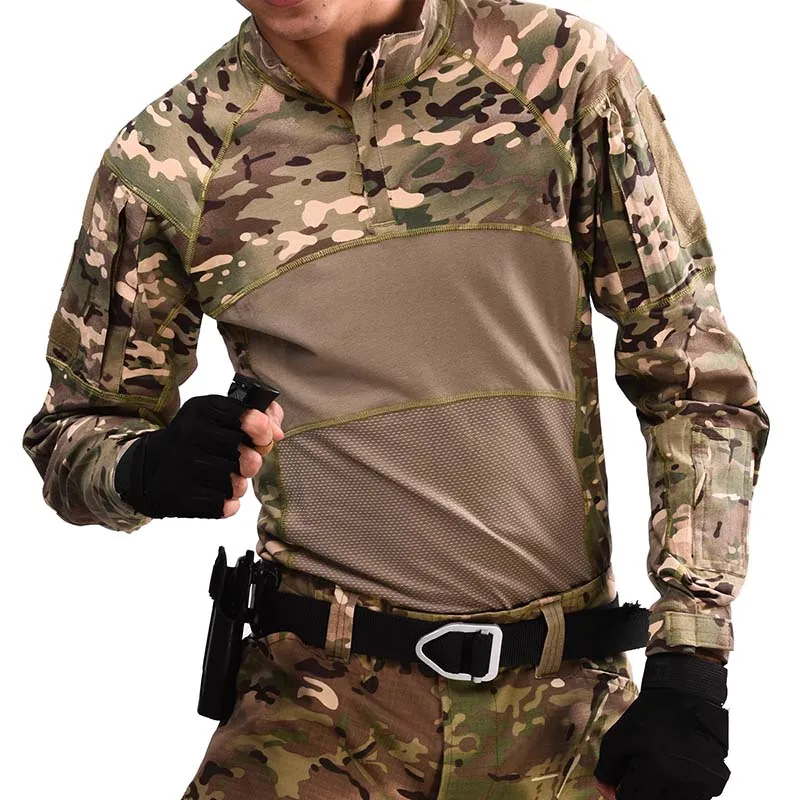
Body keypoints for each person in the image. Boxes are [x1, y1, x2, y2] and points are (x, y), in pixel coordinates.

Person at [22, 0, 770, 798]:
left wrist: (692, 658)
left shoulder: (558, 72)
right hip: (317, 708)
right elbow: (75, 430)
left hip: (567, 710)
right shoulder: (170, 155)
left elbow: (690, 365)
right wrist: (141, 469)